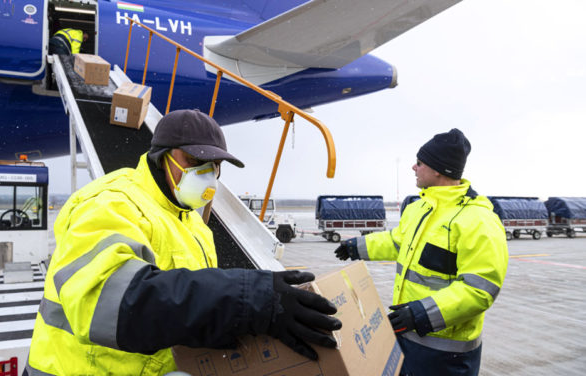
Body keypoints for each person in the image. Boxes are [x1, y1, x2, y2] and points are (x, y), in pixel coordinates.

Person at [25, 110, 341, 375]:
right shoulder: (110, 202)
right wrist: (246, 300)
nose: (209, 174)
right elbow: (111, 302)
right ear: (164, 157)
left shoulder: (193, 222)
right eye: (195, 161)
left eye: (216, 166)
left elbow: (190, 307)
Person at [334, 129, 508, 376]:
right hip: (406, 337)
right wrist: (357, 247)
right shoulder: (419, 208)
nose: (413, 168)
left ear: (438, 169)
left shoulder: (478, 220)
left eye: (419, 162)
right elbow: (397, 242)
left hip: (446, 354)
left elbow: (479, 290)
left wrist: (420, 314)